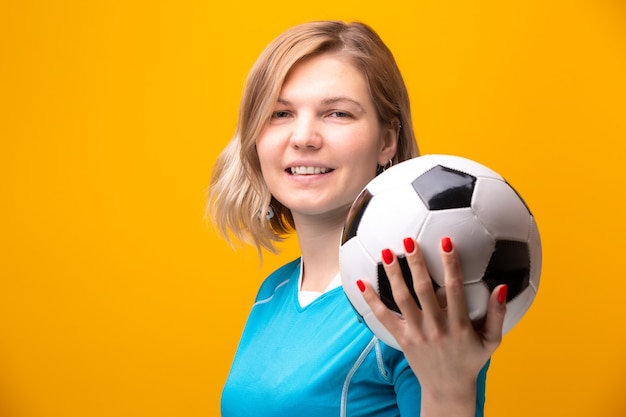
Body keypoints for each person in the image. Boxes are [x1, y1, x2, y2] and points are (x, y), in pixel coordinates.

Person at [208, 20, 508, 417]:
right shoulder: (273, 291)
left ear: (387, 140)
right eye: (280, 113)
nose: (303, 137)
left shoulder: (412, 299)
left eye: (337, 113)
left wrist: (450, 392)